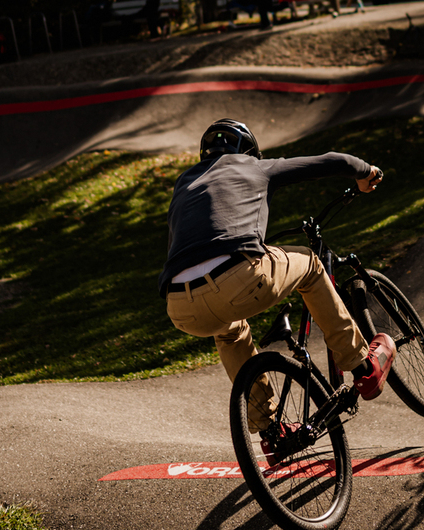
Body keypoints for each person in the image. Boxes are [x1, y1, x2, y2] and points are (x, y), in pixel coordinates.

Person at [159, 118, 397, 446]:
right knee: (311, 267)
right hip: (238, 276)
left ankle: (270, 431)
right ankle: (362, 367)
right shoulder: (254, 167)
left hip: (180, 305)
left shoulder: (184, 183)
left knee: (230, 332)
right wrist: (364, 171)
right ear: (250, 152)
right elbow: (330, 162)